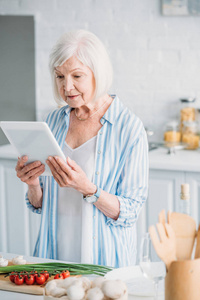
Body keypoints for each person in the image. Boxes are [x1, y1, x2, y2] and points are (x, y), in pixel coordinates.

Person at [15, 29, 148, 268]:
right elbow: (40, 206)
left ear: (98, 74)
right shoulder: (53, 121)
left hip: (103, 261)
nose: (67, 87)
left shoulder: (129, 128)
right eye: (59, 77)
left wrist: (88, 189)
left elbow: (130, 212)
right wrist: (33, 184)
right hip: (52, 255)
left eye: (77, 76)